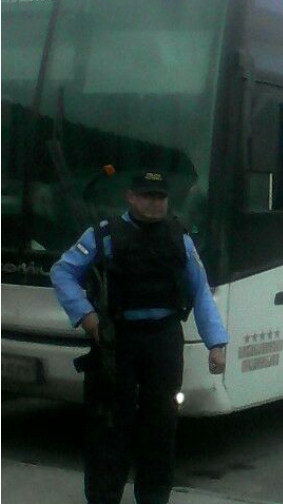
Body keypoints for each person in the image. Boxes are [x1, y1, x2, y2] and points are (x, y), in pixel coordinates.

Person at [51, 171, 229, 504]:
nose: (155, 203)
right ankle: (104, 497)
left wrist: (216, 343)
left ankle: (154, 497)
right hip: (116, 342)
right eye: (147, 196)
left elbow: (200, 291)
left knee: (160, 426)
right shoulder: (103, 235)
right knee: (110, 425)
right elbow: (62, 272)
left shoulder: (179, 237)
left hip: (163, 340)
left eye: (160, 197)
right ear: (131, 197)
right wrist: (87, 317)